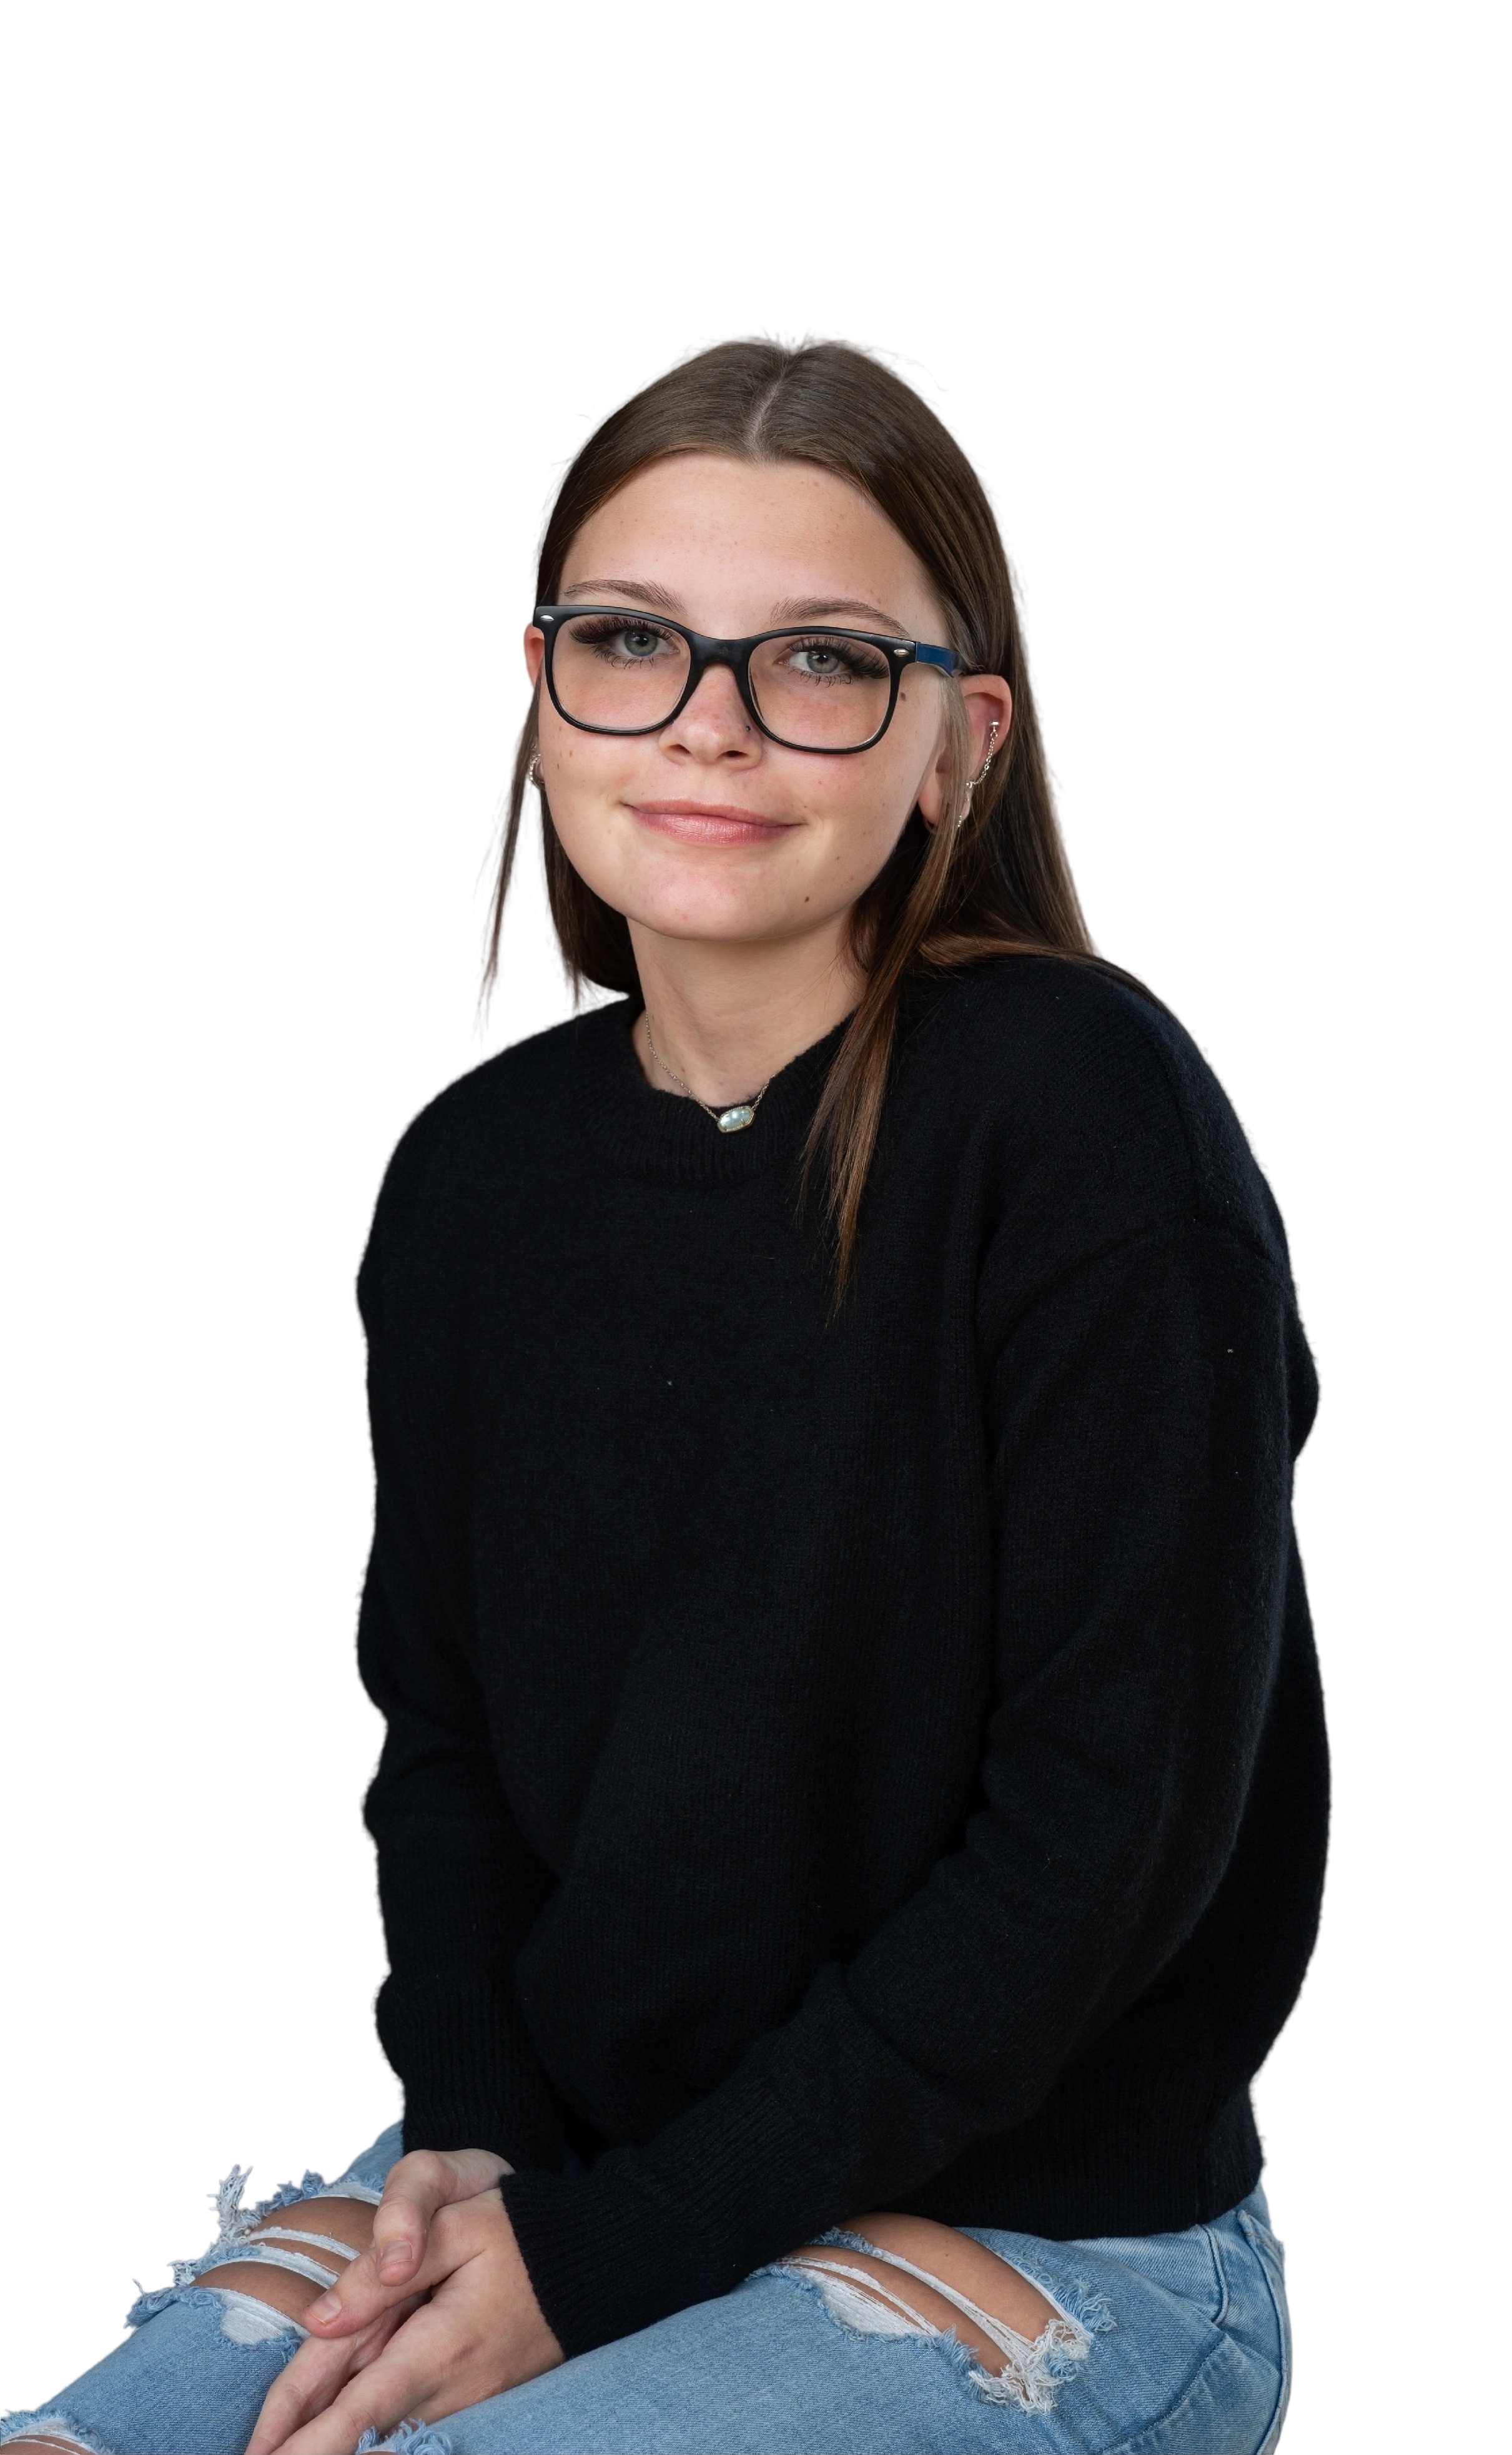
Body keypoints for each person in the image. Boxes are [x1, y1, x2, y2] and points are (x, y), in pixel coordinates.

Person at [4, 324, 1328, 2455]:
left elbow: (1104, 1841)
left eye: (818, 661)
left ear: (959, 740)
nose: (710, 723)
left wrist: (604, 2262)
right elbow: (443, 1748)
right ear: (542, 689)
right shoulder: (472, 1175)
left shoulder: (1077, 1112)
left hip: (1052, 2234)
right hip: (584, 2166)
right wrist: (477, 2143)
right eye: (632, 640)